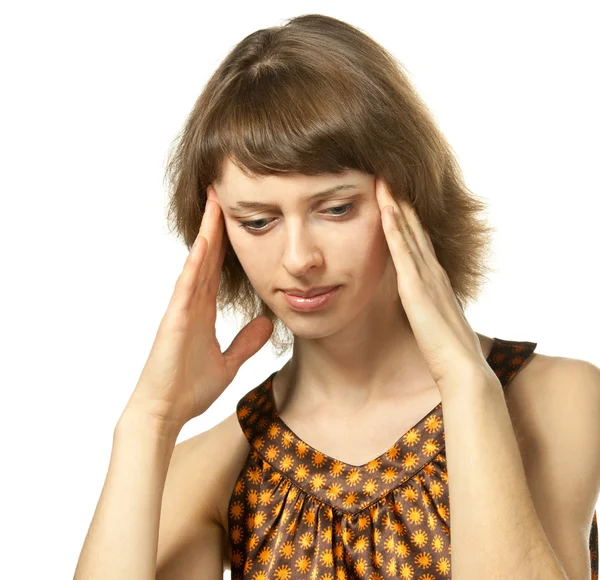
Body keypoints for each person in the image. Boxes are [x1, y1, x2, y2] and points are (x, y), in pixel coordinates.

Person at [74, 13, 599, 580]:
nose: (299, 259)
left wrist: (467, 385)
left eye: (336, 209)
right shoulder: (215, 467)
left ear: (408, 194)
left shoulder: (558, 399)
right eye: (257, 222)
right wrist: (148, 421)